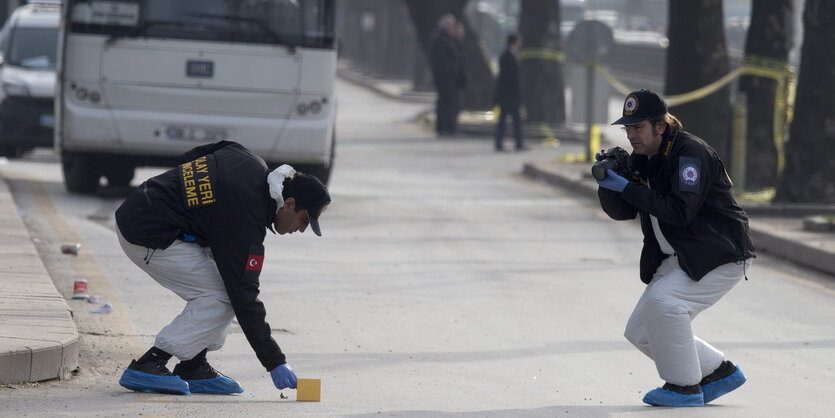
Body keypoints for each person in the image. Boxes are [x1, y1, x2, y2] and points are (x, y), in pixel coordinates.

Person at [114, 140, 331, 395]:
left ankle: (193, 366)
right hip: (146, 234)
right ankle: (150, 363)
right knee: (224, 295)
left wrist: (186, 199)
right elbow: (244, 296)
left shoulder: (249, 161)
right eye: (304, 220)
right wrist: (275, 361)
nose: (302, 229)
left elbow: (204, 152)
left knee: (226, 284)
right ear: (290, 203)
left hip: (144, 206)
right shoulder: (245, 221)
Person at [596, 90, 755, 407]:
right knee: (641, 330)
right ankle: (717, 372)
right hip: (682, 256)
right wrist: (610, 183)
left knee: (664, 302)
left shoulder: (689, 153)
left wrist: (629, 187)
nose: (631, 135)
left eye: (638, 127)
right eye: (627, 129)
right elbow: (624, 212)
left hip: (718, 254)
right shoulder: (646, 157)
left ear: (661, 125)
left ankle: (684, 387)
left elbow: (680, 212)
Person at [428, 14, 462, 137]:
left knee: (450, 102)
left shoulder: (450, 39)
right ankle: (443, 127)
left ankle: (448, 126)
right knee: (445, 102)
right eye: (452, 26)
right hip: (444, 77)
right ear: (446, 26)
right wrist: (450, 71)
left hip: (450, 77)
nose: (454, 28)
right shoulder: (440, 39)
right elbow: (442, 61)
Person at [493, 33, 525, 152]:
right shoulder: (507, 56)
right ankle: (517, 142)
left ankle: (506, 142)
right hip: (509, 94)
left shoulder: (511, 55)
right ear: (515, 42)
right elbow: (510, 77)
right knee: (513, 119)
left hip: (508, 94)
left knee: (507, 119)